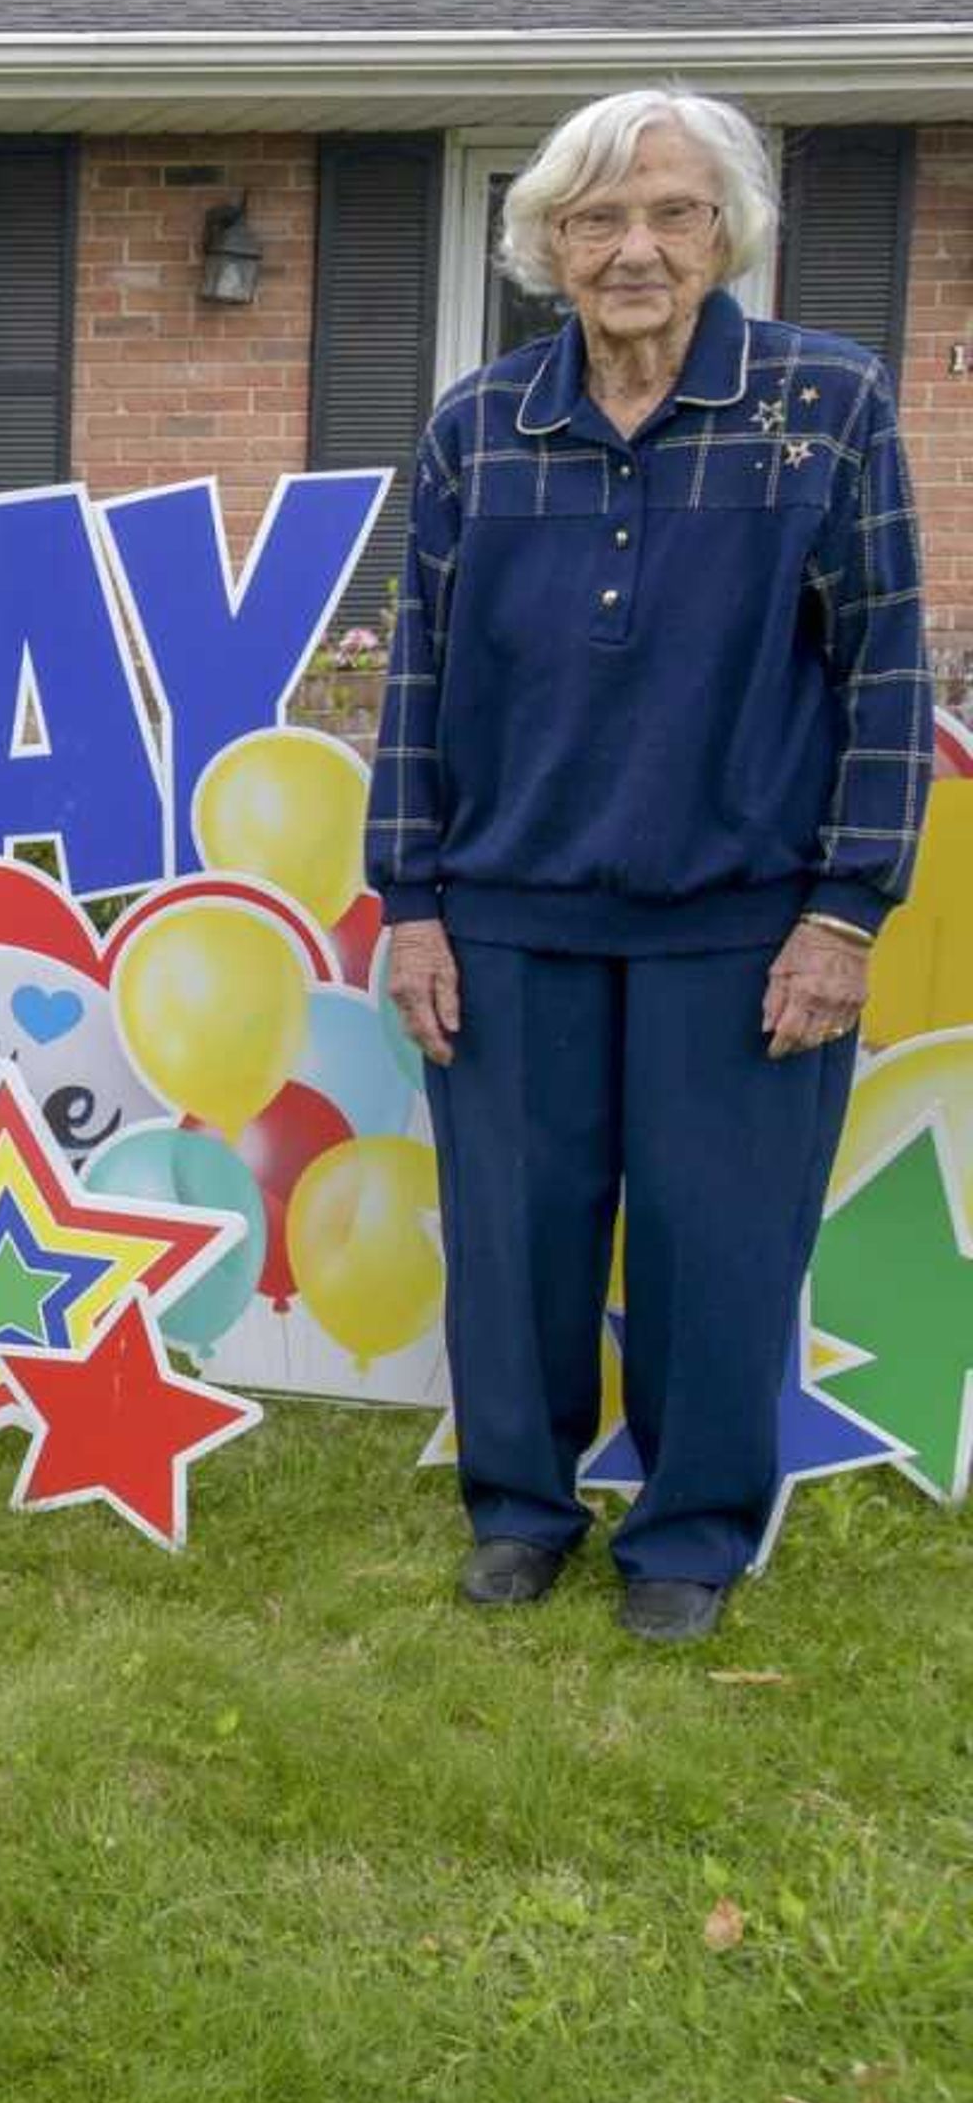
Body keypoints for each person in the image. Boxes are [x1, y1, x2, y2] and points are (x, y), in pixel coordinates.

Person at [366, 87, 928, 1644]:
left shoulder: (826, 404)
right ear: (548, 243)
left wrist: (845, 905)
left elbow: (887, 669)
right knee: (515, 1240)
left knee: (718, 1246)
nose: (636, 248)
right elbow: (414, 676)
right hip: (508, 910)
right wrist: (411, 901)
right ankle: (522, 1509)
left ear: (725, 235)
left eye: (674, 213)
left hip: (747, 923)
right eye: (600, 218)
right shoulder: (482, 425)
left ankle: (689, 1532)